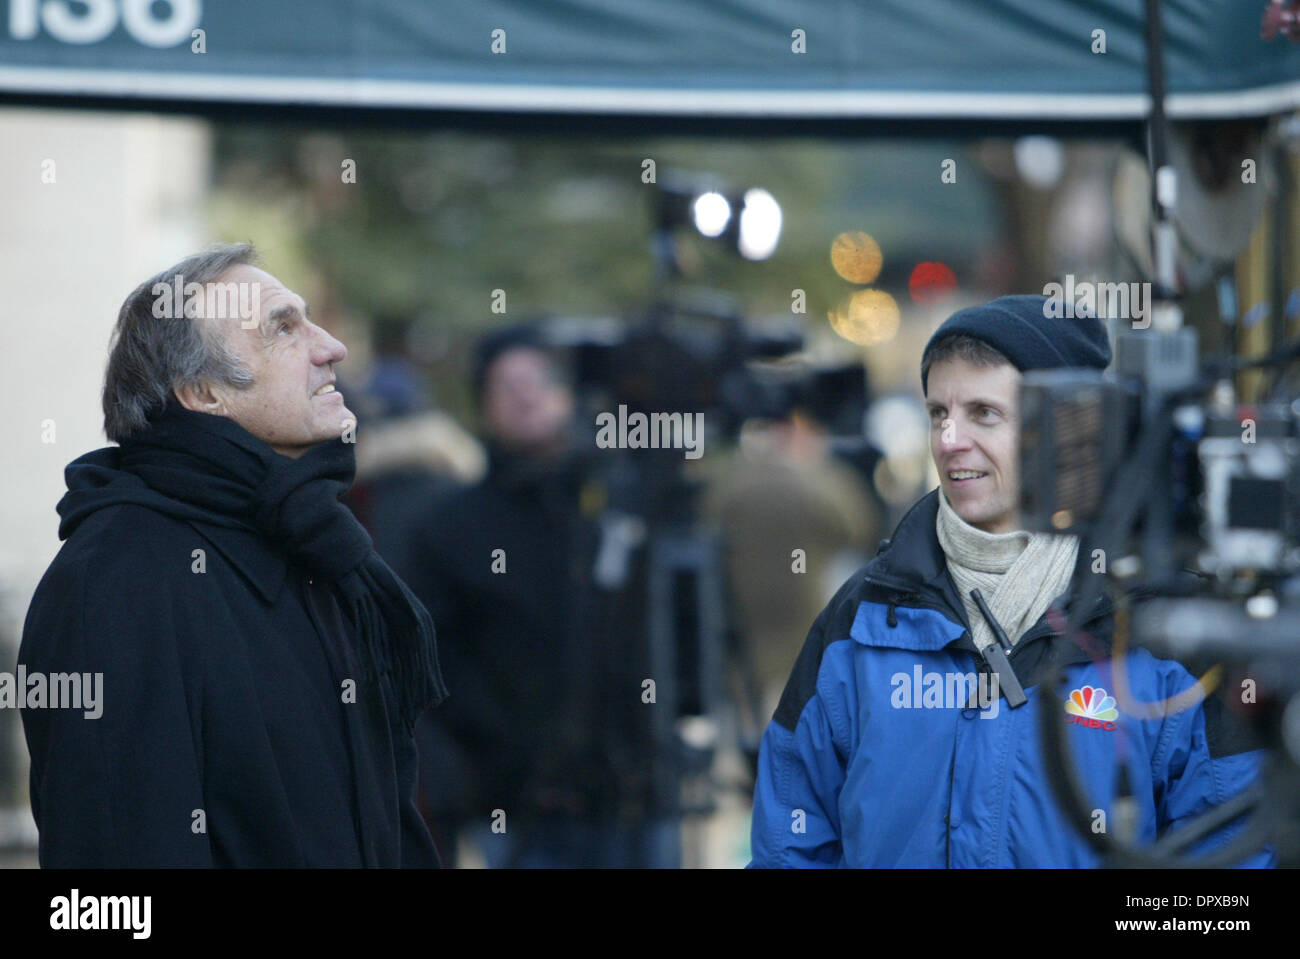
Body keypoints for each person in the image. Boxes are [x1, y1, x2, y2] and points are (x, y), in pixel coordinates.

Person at [749, 294, 1272, 867]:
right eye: (938, 413)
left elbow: (1227, 872)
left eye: (983, 413)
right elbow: (790, 843)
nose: (949, 440)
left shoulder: (1164, 626)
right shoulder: (862, 617)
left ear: (1065, 426)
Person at [19, 242, 447, 867]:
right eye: (283, 328)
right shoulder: (119, 579)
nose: (332, 347)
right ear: (202, 392)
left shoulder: (315, 547)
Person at [402, 325, 665, 867]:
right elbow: (428, 664)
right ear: (483, 407)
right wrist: (481, 759)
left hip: (640, 797)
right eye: (508, 385)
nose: (527, 395)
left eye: (541, 379)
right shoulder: (450, 529)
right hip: (518, 809)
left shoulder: (624, 509)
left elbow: (676, 626)